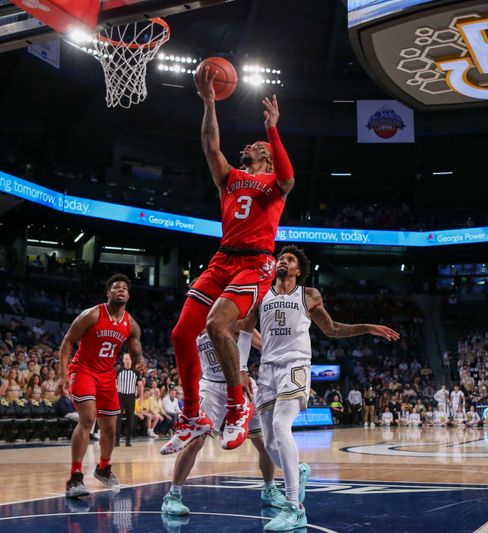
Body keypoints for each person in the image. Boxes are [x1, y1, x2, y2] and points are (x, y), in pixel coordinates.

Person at [161, 67, 296, 456]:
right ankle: (191, 416)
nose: (249, 146)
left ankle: (239, 406)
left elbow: (289, 176)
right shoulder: (231, 177)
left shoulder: (274, 184)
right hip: (222, 258)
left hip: (256, 263)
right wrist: (208, 102)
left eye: (258, 145)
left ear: (267, 156)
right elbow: (209, 144)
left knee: (217, 324)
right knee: (181, 333)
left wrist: (272, 129)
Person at [242, 245, 400, 531]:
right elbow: (243, 328)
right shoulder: (261, 293)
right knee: (269, 443)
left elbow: (332, 330)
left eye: (289, 260)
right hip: (266, 369)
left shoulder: (309, 295)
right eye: (281, 258)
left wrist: (366, 327)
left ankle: (294, 507)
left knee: (280, 426)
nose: (282, 261)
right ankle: (299, 470)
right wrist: (241, 367)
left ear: (298, 271)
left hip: (296, 366)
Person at [161, 326, 284, 517]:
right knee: (196, 440)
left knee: (264, 442)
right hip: (210, 387)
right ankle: (173, 496)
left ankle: (269, 488)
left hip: (241, 384)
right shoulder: (195, 317)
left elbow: (263, 345)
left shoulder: (235, 316)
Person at [59, 274, 143, 497]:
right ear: (108, 293)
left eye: (125, 288)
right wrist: (62, 374)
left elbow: (135, 349)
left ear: (129, 294)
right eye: (116, 287)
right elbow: (68, 341)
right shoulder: (93, 314)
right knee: (87, 419)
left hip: (106, 375)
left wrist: (139, 361)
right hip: (83, 370)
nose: (121, 290)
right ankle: (75, 478)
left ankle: (103, 468)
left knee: (110, 428)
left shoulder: (131, 323)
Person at [115, 353, 138, 447]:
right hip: (120, 396)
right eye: (126, 359)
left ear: (131, 360)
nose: (128, 361)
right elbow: (114, 383)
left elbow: (140, 385)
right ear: (123, 360)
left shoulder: (136, 372)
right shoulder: (119, 371)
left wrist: (140, 398)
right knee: (118, 419)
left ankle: (128, 440)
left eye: (129, 359)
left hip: (131, 396)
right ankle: (116, 441)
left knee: (130, 419)